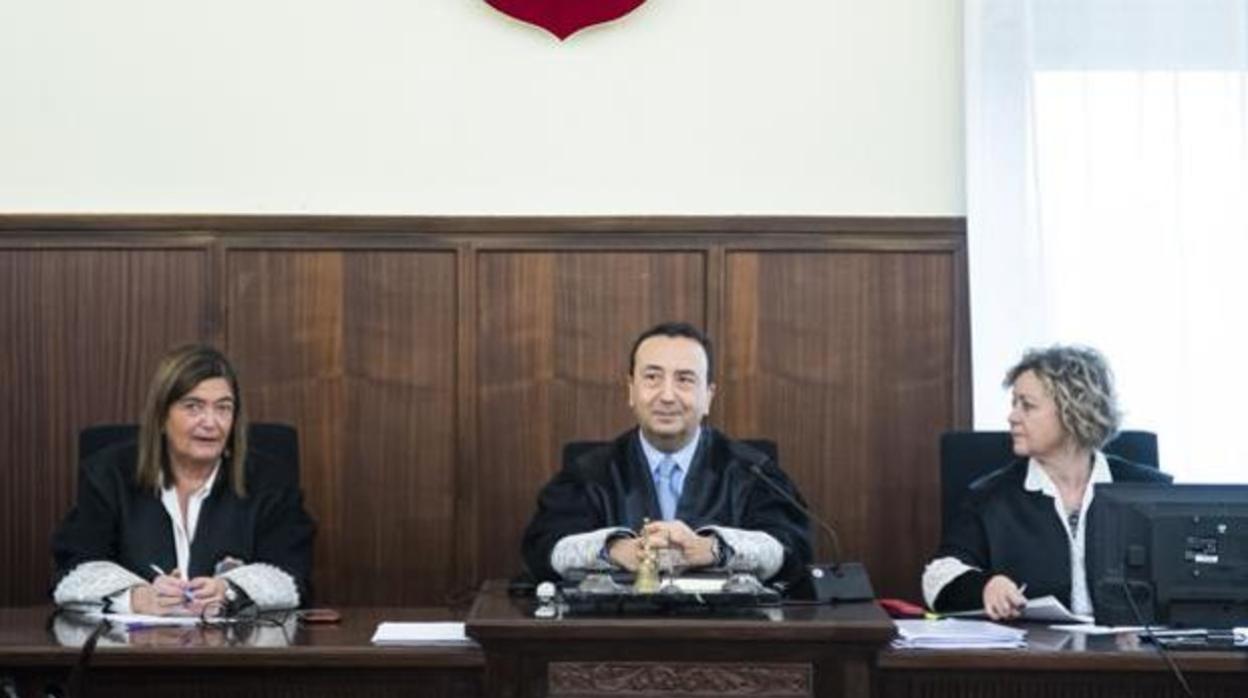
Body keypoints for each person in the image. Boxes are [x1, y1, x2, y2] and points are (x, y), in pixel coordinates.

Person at [521, 322, 812, 585]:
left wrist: (712, 549)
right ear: (631, 390)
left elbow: (792, 548)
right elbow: (544, 548)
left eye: (684, 379)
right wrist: (615, 550)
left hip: (726, 625)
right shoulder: (588, 474)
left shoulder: (752, 472)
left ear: (708, 396)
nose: (668, 396)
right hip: (617, 624)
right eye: (652, 377)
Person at [52, 344, 314, 616]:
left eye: (223, 408)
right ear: (161, 416)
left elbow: (292, 573)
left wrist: (228, 590)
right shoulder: (109, 474)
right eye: (193, 407)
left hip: (236, 641)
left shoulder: (270, 480)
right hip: (132, 641)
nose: (211, 422)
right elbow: (75, 570)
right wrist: (137, 598)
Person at [922, 345, 1171, 619]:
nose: (1013, 417)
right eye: (1014, 404)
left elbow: (1189, 580)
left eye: (1027, 406)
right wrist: (985, 586)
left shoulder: (1152, 491)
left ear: (1073, 411)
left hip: (1132, 645)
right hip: (1036, 645)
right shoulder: (990, 497)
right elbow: (937, 577)